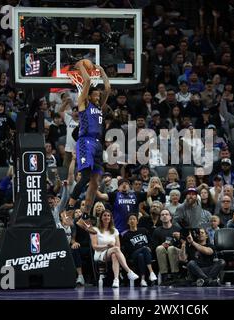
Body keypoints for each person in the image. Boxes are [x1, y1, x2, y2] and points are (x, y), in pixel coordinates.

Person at [66, 62, 110, 230]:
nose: (98, 97)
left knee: (94, 182)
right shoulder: (84, 103)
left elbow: (108, 87)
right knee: (84, 177)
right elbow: (85, 82)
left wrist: (103, 71)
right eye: (96, 95)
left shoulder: (99, 107)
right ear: (89, 96)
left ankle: (85, 216)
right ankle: (69, 210)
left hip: (98, 144)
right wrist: (80, 66)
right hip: (86, 141)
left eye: (99, 95)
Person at [90, 210, 139, 288]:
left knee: (114, 255)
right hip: (100, 254)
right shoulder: (95, 230)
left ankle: (116, 280)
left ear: (111, 218)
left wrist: (111, 248)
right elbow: (94, 246)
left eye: (108, 216)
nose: (107, 217)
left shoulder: (115, 231)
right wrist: (107, 246)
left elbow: (118, 246)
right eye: (105, 215)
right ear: (101, 218)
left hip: (112, 252)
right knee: (115, 250)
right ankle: (129, 271)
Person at [122, 214, 157, 287]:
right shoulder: (126, 235)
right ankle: (151, 272)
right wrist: (143, 248)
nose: (132, 221)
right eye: (130, 219)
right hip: (133, 254)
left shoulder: (143, 230)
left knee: (141, 256)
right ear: (128, 222)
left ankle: (143, 280)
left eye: (134, 219)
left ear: (137, 221)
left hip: (145, 253)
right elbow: (128, 249)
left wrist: (149, 248)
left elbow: (151, 242)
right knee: (144, 249)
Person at [151, 209, 181, 282]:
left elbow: (183, 244)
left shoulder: (177, 229)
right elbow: (153, 246)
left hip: (176, 251)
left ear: (170, 217)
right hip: (162, 252)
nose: (164, 216)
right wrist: (162, 245)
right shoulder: (157, 231)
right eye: (162, 215)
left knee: (171, 248)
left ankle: (175, 274)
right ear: (160, 218)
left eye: (166, 214)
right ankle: (164, 275)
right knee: (159, 248)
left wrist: (179, 237)